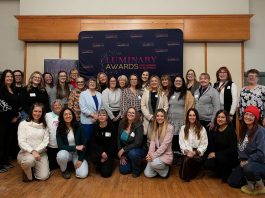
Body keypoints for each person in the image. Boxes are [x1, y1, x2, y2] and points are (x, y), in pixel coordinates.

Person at [17, 103, 50, 182]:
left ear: (42, 113)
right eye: (35, 111)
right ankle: (28, 173)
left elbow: (45, 142)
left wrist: (36, 151)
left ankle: (34, 167)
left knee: (43, 177)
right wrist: (32, 151)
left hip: (40, 153)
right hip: (25, 153)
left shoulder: (45, 125)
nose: (37, 113)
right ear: (31, 111)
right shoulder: (23, 124)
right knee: (28, 161)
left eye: (40, 112)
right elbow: (21, 141)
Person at [237, 106, 265, 195]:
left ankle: (261, 186)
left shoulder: (260, 131)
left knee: (249, 168)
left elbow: (261, 153)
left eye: (251, 115)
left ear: (256, 118)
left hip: (260, 162)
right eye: (246, 114)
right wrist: (241, 160)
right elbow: (240, 147)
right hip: (247, 161)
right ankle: (253, 181)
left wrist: (247, 161)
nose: (248, 117)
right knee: (233, 181)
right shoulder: (244, 129)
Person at [204, 110, 238, 182]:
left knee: (222, 160)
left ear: (226, 119)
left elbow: (233, 150)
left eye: (223, 117)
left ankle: (228, 173)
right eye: (218, 117)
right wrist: (210, 154)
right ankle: (222, 173)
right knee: (208, 163)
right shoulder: (214, 129)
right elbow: (212, 145)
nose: (220, 119)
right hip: (218, 156)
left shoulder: (230, 130)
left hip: (228, 156)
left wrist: (216, 154)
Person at [56, 108, 88, 179]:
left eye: (70, 114)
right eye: (65, 114)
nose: (68, 116)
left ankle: (75, 165)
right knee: (61, 155)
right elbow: (60, 146)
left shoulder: (79, 126)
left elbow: (84, 144)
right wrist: (75, 147)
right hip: (67, 153)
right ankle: (64, 170)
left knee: (83, 175)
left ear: (73, 115)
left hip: (78, 154)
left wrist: (80, 159)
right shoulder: (59, 128)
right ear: (62, 117)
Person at [179, 108, 208, 181]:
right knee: (187, 158)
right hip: (187, 152)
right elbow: (181, 143)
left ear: (196, 117)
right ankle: (195, 173)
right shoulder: (183, 128)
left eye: (194, 115)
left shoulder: (202, 129)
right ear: (187, 117)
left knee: (188, 159)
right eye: (190, 115)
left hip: (198, 153)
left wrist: (195, 152)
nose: (192, 117)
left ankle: (186, 176)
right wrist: (186, 151)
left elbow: (204, 144)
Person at [168, 75, 194, 154]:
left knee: (181, 138)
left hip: (182, 121)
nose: (178, 82)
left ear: (182, 83)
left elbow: (191, 106)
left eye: (180, 81)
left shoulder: (187, 93)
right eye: (176, 81)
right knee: (172, 139)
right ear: (174, 82)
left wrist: (188, 119)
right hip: (171, 121)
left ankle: (180, 155)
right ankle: (174, 155)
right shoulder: (170, 93)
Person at [117, 107, 147, 177]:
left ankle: (137, 170)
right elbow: (118, 139)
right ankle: (134, 162)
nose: (130, 114)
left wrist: (123, 149)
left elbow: (138, 143)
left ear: (136, 115)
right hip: (127, 151)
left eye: (133, 113)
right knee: (124, 170)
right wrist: (122, 155)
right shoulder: (121, 123)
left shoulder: (139, 125)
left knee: (133, 153)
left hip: (139, 149)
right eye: (129, 112)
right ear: (126, 114)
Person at [0, 70, 20, 172]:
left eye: (11, 77)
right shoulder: (1, 89)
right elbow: (3, 104)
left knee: (9, 140)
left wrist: (17, 115)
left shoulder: (13, 89)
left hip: (13, 119)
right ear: (3, 78)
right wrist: (13, 115)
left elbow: (16, 104)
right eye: (7, 76)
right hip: (3, 119)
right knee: (1, 140)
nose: (10, 78)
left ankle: (5, 161)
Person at [144, 109, 173, 178]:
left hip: (165, 155)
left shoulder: (170, 128)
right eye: (157, 116)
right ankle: (160, 171)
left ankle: (165, 171)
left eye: (162, 116)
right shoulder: (155, 127)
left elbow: (164, 146)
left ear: (165, 117)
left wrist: (153, 156)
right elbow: (152, 143)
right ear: (155, 117)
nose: (159, 118)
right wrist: (149, 155)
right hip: (156, 155)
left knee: (154, 163)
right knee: (148, 174)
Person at [141, 75, 168, 141]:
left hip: (160, 120)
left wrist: (159, 116)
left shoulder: (163, 93)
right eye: (152, 81)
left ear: (158, 82)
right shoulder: (146, 92)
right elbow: (143, 105)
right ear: (150, 82)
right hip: (148, 120)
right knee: (148, 140)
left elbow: (166, 106)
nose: (154, 82)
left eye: (155, 81)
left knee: (159, 139)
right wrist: (150, 117)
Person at [91, 109, 116, 178]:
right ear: (98, 117)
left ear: (107, 117)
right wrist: (101, 153)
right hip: (99, 152)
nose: (101, 117)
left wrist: (106, 153)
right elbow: (93, 143)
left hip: (109, 152)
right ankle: (100, 163)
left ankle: (107, 163)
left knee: (106, 174)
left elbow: (113, 143)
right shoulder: (95, 127)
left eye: (104, 115)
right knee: (93, 157)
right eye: (100, 115)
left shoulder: (112, 127)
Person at [79, 77, 102, 141]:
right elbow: (83, 108)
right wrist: (94, 116)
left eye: (94, 82)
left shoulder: (99, 94)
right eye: (90, 82)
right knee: (87, 141)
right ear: (88, 84)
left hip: (97, 121)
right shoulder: (83, 94)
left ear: (96, 84)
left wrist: (98, 117)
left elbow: (102, 107)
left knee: (96, 140)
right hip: (87, 122)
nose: (92, 83)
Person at [45, 99, 63, 170]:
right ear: (52, 107)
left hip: (62, 143)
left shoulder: (64, 115)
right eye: (55, 105)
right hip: (51, 144)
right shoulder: (47, 115)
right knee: (52, 166)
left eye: (59, 105)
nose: (57, 106)